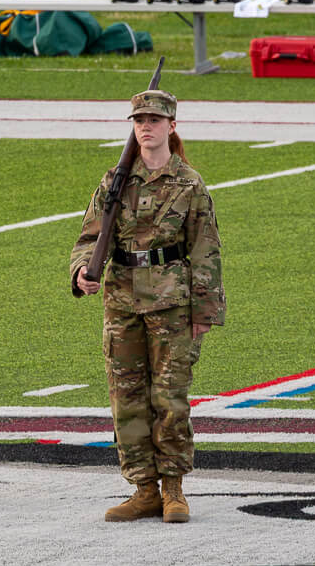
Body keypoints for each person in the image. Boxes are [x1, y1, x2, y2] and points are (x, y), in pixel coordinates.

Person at [68, 89, 226, 524]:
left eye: (154, 120)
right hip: (121, 301)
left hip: (172, 303)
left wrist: (204, 313)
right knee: (127, 399)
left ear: (171, 127)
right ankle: (143, 488)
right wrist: (82, 270)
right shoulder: (115, 181)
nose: (146, 126)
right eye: (139, 119)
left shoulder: (189, 183)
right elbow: (89, 237)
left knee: (169, 398)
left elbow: (206, 250)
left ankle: (173, 489)